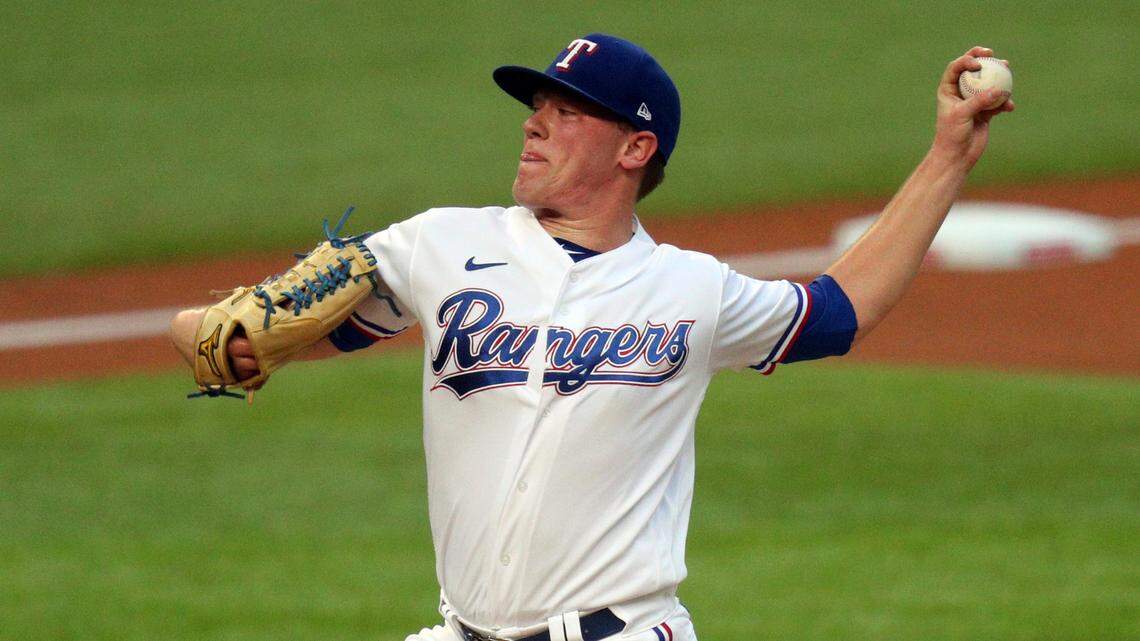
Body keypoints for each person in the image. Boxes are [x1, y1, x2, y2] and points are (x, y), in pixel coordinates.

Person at [171, 33, 1013, 641]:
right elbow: (230, 339)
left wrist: (949, 155)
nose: (534, 123)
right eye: (537, 107)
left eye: (567, 111)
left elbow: (841, 309)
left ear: (635, 147)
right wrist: (220, 339)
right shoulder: (437, 245)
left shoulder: (692, 289)